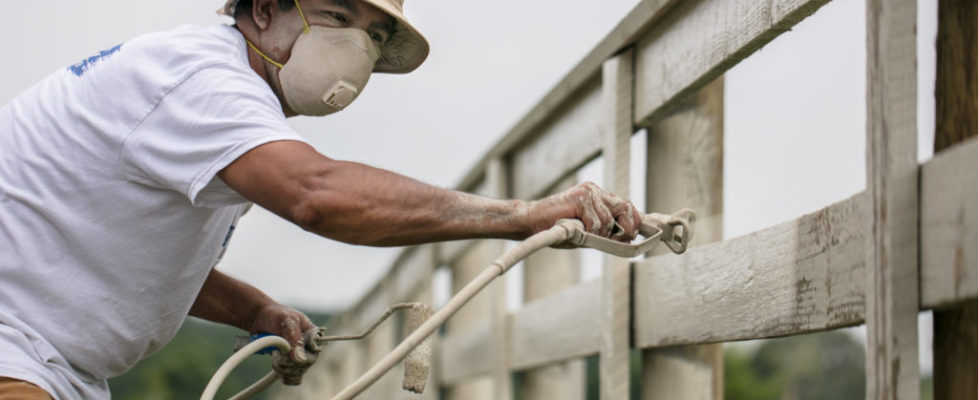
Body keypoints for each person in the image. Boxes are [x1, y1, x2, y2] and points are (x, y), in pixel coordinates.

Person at [0, 0, 642, 398]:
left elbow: (121, 247)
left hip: (50, 363)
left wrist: (257, 310)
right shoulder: (204, 81)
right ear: (263, 11)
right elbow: (316, 195)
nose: (355, 48)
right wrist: (519, 215)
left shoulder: (222, 105)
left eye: (372, 34)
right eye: (337, 16)